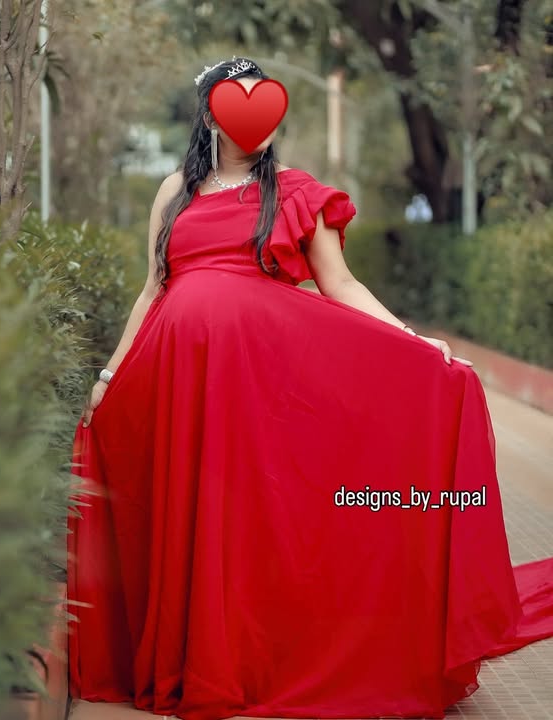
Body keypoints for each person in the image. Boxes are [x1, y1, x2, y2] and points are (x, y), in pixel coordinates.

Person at [66, 56, 553, 720]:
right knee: (190, 515)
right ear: (211, 114)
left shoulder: (293, 192)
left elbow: (341, 285)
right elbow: (154, 291)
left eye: (264, 106)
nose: (254, 122)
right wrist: (109, 373)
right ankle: (190, 660)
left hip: (257, 389)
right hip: (177, 383)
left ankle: (247, 663)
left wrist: (410, 341)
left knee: (249, 528)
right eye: (236, 105)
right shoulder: (175, 190)